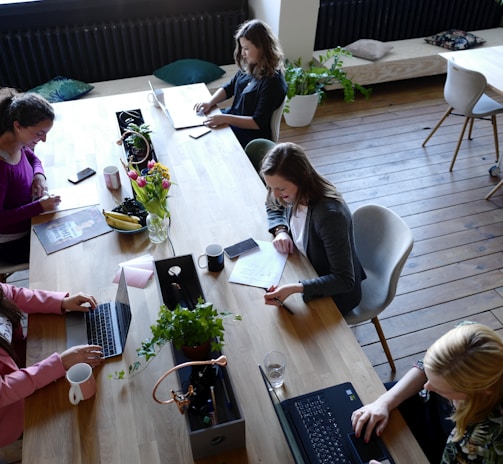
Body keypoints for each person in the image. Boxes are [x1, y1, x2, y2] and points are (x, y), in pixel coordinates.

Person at [351, 322, 503, 464]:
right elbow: (427, 366)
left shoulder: (479, 444)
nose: (427, 386)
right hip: (423, 408)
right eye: (430, 377)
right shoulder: (469, 336)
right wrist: (385, 401)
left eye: (439, 388)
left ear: (478, 392)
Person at [260, 142, 366, 315]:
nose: (276, 194)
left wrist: (296, 288)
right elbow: (273, 204)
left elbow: (344, 280)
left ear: (301, 178)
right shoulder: (293, 192)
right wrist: (281, 230)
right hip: (305, 267)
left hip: (334, 293)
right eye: (271, 187)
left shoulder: (329, 216)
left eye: (281, 188)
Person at [0, 281, 104, 447]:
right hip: (13, 413)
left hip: (25, 366)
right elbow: (3, 390)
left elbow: (13, 294)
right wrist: (59, 363)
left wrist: (61, 303)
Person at [194, 19, 287, 148]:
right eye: (242, 48)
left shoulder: (273, 83)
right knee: (201, 124)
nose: (243, 54)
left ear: (262, 47)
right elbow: (229, 87)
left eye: (246, 48)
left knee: (208, 138)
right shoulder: (250, 67)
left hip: (251, 135)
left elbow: (257, 122)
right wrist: (210, 102)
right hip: (234, 119)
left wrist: (225, 118)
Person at [0, 89, 61, 265]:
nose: (44, 140)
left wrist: (39, 175)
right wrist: (39, 206)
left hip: (31, 218)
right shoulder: (2, 166)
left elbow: (32, 158)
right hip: (13, 243)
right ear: (18, 126)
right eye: (39, 133)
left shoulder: (16, 141)